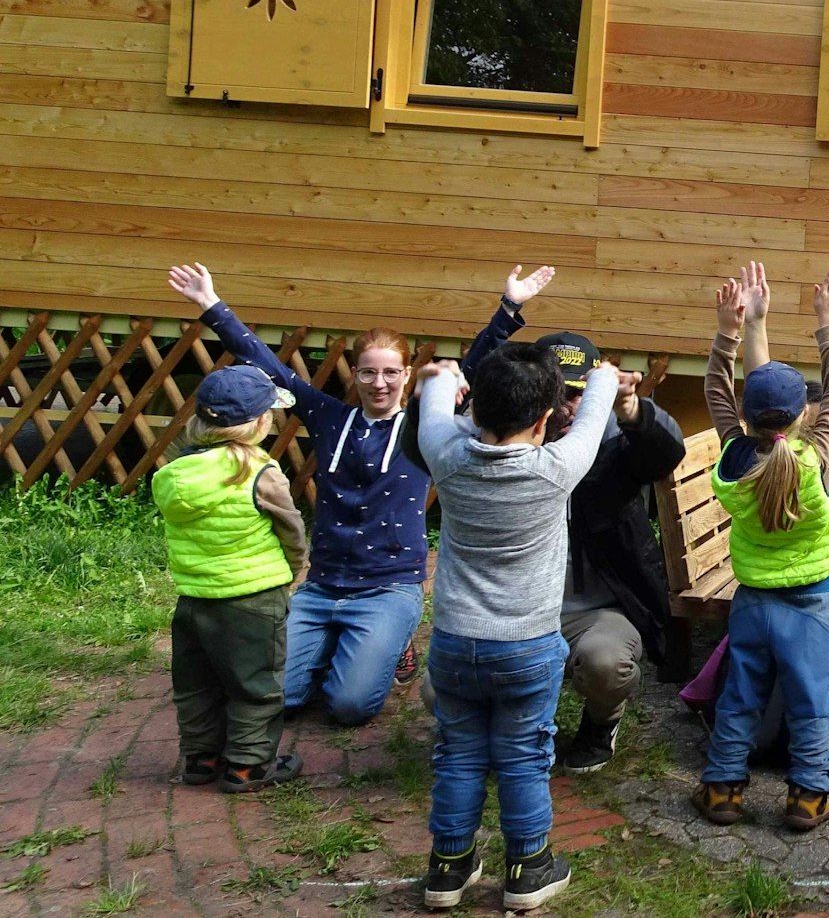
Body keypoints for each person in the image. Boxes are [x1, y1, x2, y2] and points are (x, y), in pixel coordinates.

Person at [166, 262, 556, 726]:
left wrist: (510, 306)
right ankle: (337, 643)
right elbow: (268, 367)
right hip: (322, 585)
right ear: (354, 374)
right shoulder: (329, 416)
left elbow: (473, 365)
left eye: (391, 373)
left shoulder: (423, 426)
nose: (380, 384)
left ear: (408, 375)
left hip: (388, 586)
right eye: (368, 373)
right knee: (279, 699)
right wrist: (212, 305)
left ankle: (387, 641)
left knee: (349, 707)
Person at [404, 283, 687, 775]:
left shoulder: (617, 440)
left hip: (595, 608)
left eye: (577, 394)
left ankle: (601, 724)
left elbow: (666, 455)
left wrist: (634, 411)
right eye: (556, 394)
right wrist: (425, 405)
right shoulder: (503, 440)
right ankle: (497, 731)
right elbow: (421, 449)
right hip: (515, 614)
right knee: (435, 692)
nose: (565, 409)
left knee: (606, 664)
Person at [678, 262, 829, 758]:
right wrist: (819, 323)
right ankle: (808, 789)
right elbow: (787, 393)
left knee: (794, 728)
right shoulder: (810, 459)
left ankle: (728, 781)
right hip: (784, 612)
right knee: (772, 740)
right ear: (804, 417)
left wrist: (744, 328)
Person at [413, 347, 619, 913]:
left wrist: (442, 377)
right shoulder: (555, 470)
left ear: (475, 409)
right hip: (527, 647)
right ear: (544, 418)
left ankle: (448, 867)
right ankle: (528, 869)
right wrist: (601, 376)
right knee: (525, 756)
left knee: (456, 753)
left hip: (455, 642)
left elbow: (433, 400)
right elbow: (597, 410)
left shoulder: (446, 456)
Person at [689, 269, 829, 833]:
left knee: (741, 694)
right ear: (805, 413)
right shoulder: (819, 453)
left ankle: (722, 790)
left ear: (746, 416)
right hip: (810, 602)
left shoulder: (735, 455)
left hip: (752, 601)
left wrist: (727, 332)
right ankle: (809, 795)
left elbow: (715, 391)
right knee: (812, 699)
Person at [155, 366, 308, 794]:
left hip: (194, 599)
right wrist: (295, 567)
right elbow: (291, 529)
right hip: (254, 600)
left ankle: (200, 759)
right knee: (255, 685)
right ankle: (248, 766)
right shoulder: (261, 472)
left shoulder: (175, 473)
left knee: (196, 684)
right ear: (260, 422)